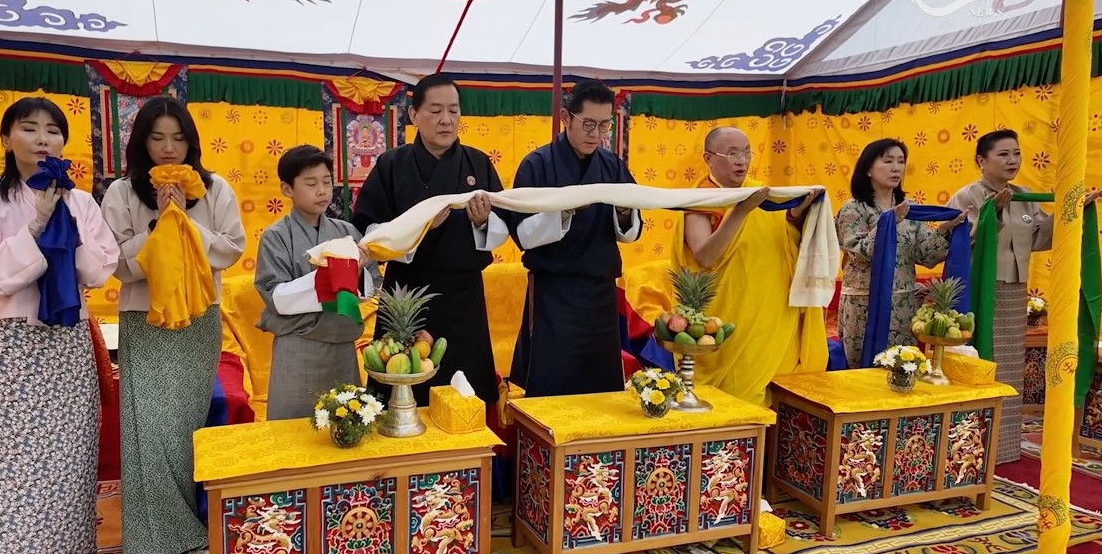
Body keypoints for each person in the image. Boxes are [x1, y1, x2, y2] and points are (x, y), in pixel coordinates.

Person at [0, 97, 120, 554]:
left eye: (53, 131)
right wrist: (36, 225)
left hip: (64, 338)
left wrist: (62, 213)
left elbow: (97, 270)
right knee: (11, 460)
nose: (43, 139)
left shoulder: (82, 201)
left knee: (69, 454)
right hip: (6, 341)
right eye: (29, 129)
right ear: (6, 139)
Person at [101, 96, 246, 554]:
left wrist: (186, 221)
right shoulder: (122, 193)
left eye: (178, 138)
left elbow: (229, 251)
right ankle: (153, 537)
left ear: (191, 142)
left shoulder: (215, 188)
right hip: (145, 319)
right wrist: (161, 224)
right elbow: (119, 266)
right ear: (142, 142)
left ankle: (189, 523)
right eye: (158, 138)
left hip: (199, 318)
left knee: (184, 425)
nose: (168, 148)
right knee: (149, 427)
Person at [352, 74, 509, 407]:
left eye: (453, 111)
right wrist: (418, 230)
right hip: (406, 294)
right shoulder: (391, 165)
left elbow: (504, 225)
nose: (446, 119)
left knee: (465, 395)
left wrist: (483, 222)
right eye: (436, 110)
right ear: (413, 115)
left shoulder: (477, 162)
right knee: (402, 390)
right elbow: (369, 228)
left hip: (463, 297)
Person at [947, 129, 1102, 464]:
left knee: (1010, 368)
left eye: (1016, 153)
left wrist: (1073, 212)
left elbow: (1041, 236)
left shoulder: (1024, 195)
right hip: (980, 292)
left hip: (1015, 292)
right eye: (1003, 154)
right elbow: (960, 243)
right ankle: (972, 447)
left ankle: (1003, 449)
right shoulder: (967, 196)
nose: (1012, 161)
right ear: (981, 161)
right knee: (983, 362)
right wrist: (996, 215)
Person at [669, 126, 826, 407]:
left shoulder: (761, 194)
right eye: (731, 154)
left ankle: (766, 451)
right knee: (733, 399)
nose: (741, 161)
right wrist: (741, 211)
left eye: (745, 153)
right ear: (708, 158)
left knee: (770, 395)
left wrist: (797, 215)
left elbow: (783, 241)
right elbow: (705, 256)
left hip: (771, 315)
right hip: (730, 317)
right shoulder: (701, 200)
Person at [504, 79, 641, 397]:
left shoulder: (611, 165)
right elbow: (523, 235)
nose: (597, 134)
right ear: (566, 118)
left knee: (601, 388)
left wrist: (623, 212)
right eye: (589, 124)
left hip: (600, 294)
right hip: (554, 292)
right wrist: (564, 211)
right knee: (551, 382)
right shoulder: (537, 165)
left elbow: (630, 232)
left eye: (604, 125)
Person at [255, 145, 381, 420]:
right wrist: (334, 273)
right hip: (297, 346)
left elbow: (369, 287)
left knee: (345, 425)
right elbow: (276, 297)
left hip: (340, 344)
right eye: (311, 183)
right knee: (293, 432)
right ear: (287, 189)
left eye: (326, 182)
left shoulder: (346, 232)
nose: (322, 191)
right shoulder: (275, 236)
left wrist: (356, 270)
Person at [835, 139, 969, 367]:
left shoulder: (910, 208)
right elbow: (859, 252)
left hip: (904, 306)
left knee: (903, 367)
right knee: (865, 371)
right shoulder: (854, 208)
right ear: (868, 169)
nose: (896, 167)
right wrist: (887, 223)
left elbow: (925, 255)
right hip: (864, 306)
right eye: (888, 161)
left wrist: (945, 229)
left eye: (901, 161)